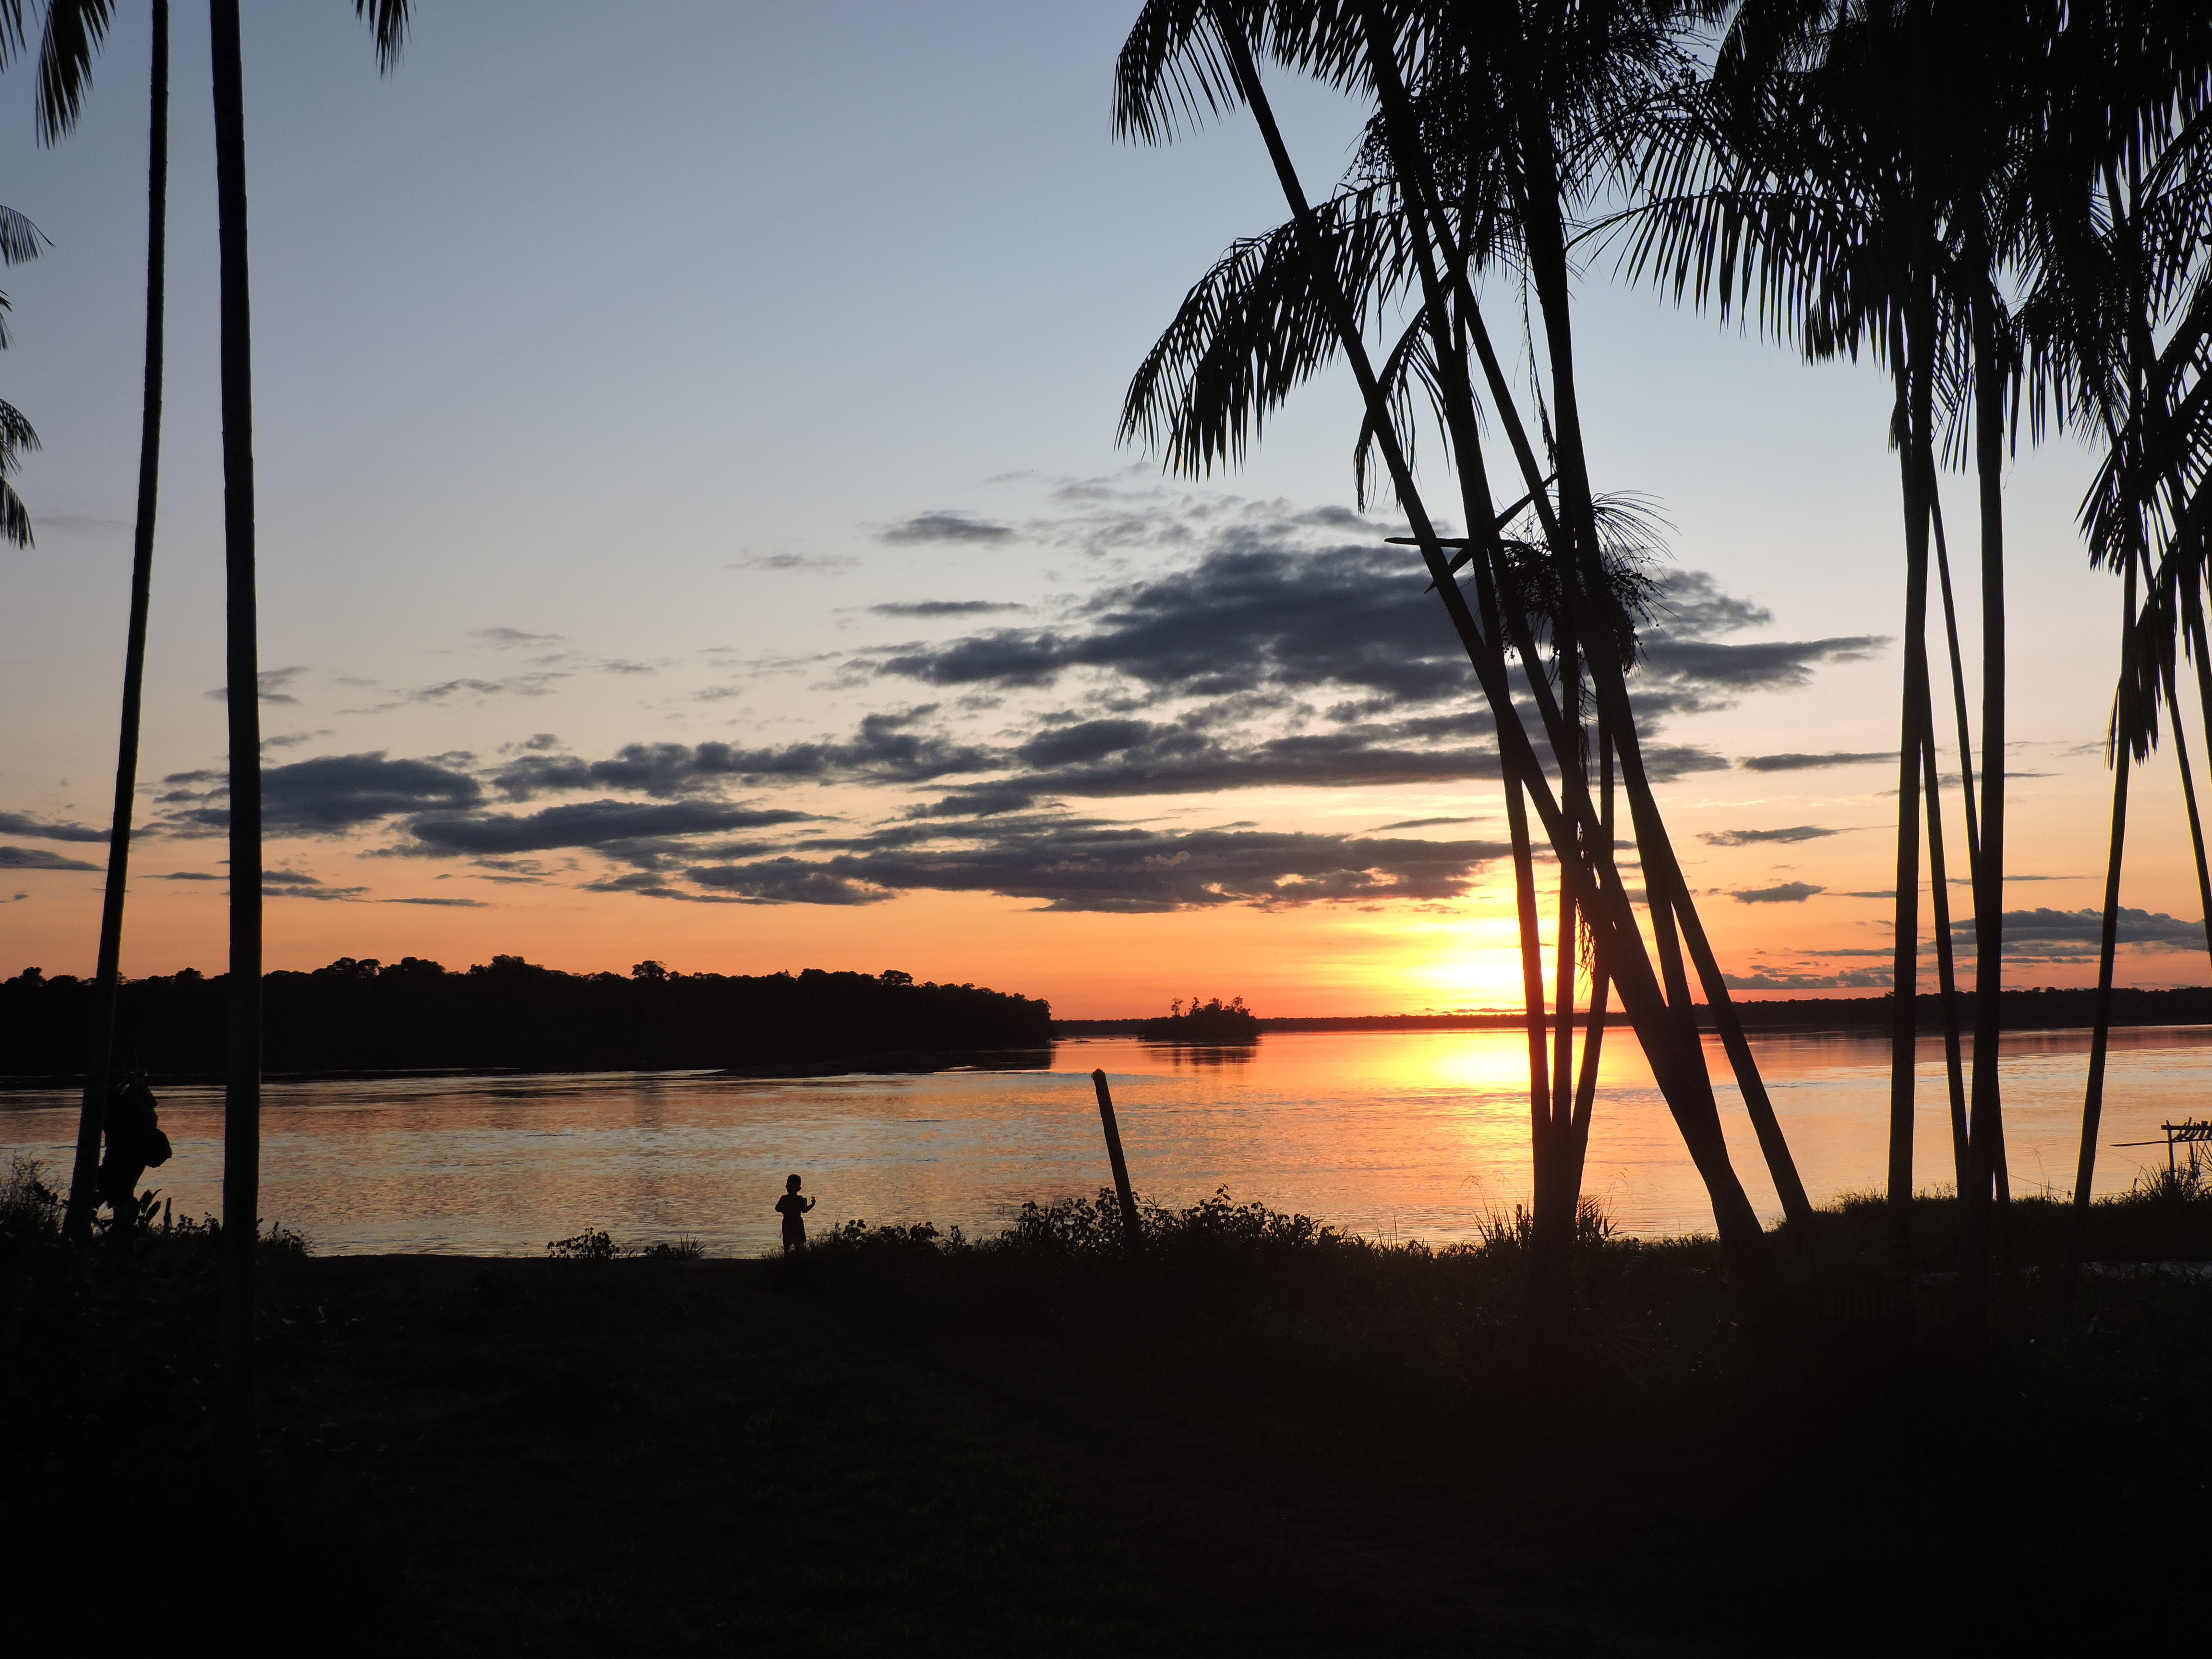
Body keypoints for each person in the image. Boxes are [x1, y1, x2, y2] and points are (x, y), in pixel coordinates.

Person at [98, 1071, 172, 1230]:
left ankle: (123, 1228)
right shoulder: (115, 1094)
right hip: (120, 1150)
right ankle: (121, 1227)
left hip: (133, 1152)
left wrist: (136, 1087)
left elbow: (150, 1112)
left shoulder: (132, 1092)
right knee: (115, 1190)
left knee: (121, 1191)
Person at [773, 1173, 815, 1252]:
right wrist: (812, 1205)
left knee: (787, 1244)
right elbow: (804, 1210)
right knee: (798, 1244)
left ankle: (788, 1259)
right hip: (797, 1223)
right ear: (799, 1188)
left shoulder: (785, 1199)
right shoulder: (800, 1199)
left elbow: (778, 1209)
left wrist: (784, 1209)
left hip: (788, 1223)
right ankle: (796, 1259)